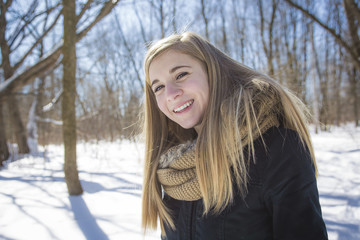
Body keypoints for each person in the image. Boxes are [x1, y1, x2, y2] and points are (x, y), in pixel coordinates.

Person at [141, 32, 328, 240]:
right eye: (158, 87)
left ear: (213, 72)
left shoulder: (276, 148)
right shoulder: (173, 169)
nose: (170, 94)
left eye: (181, 75)